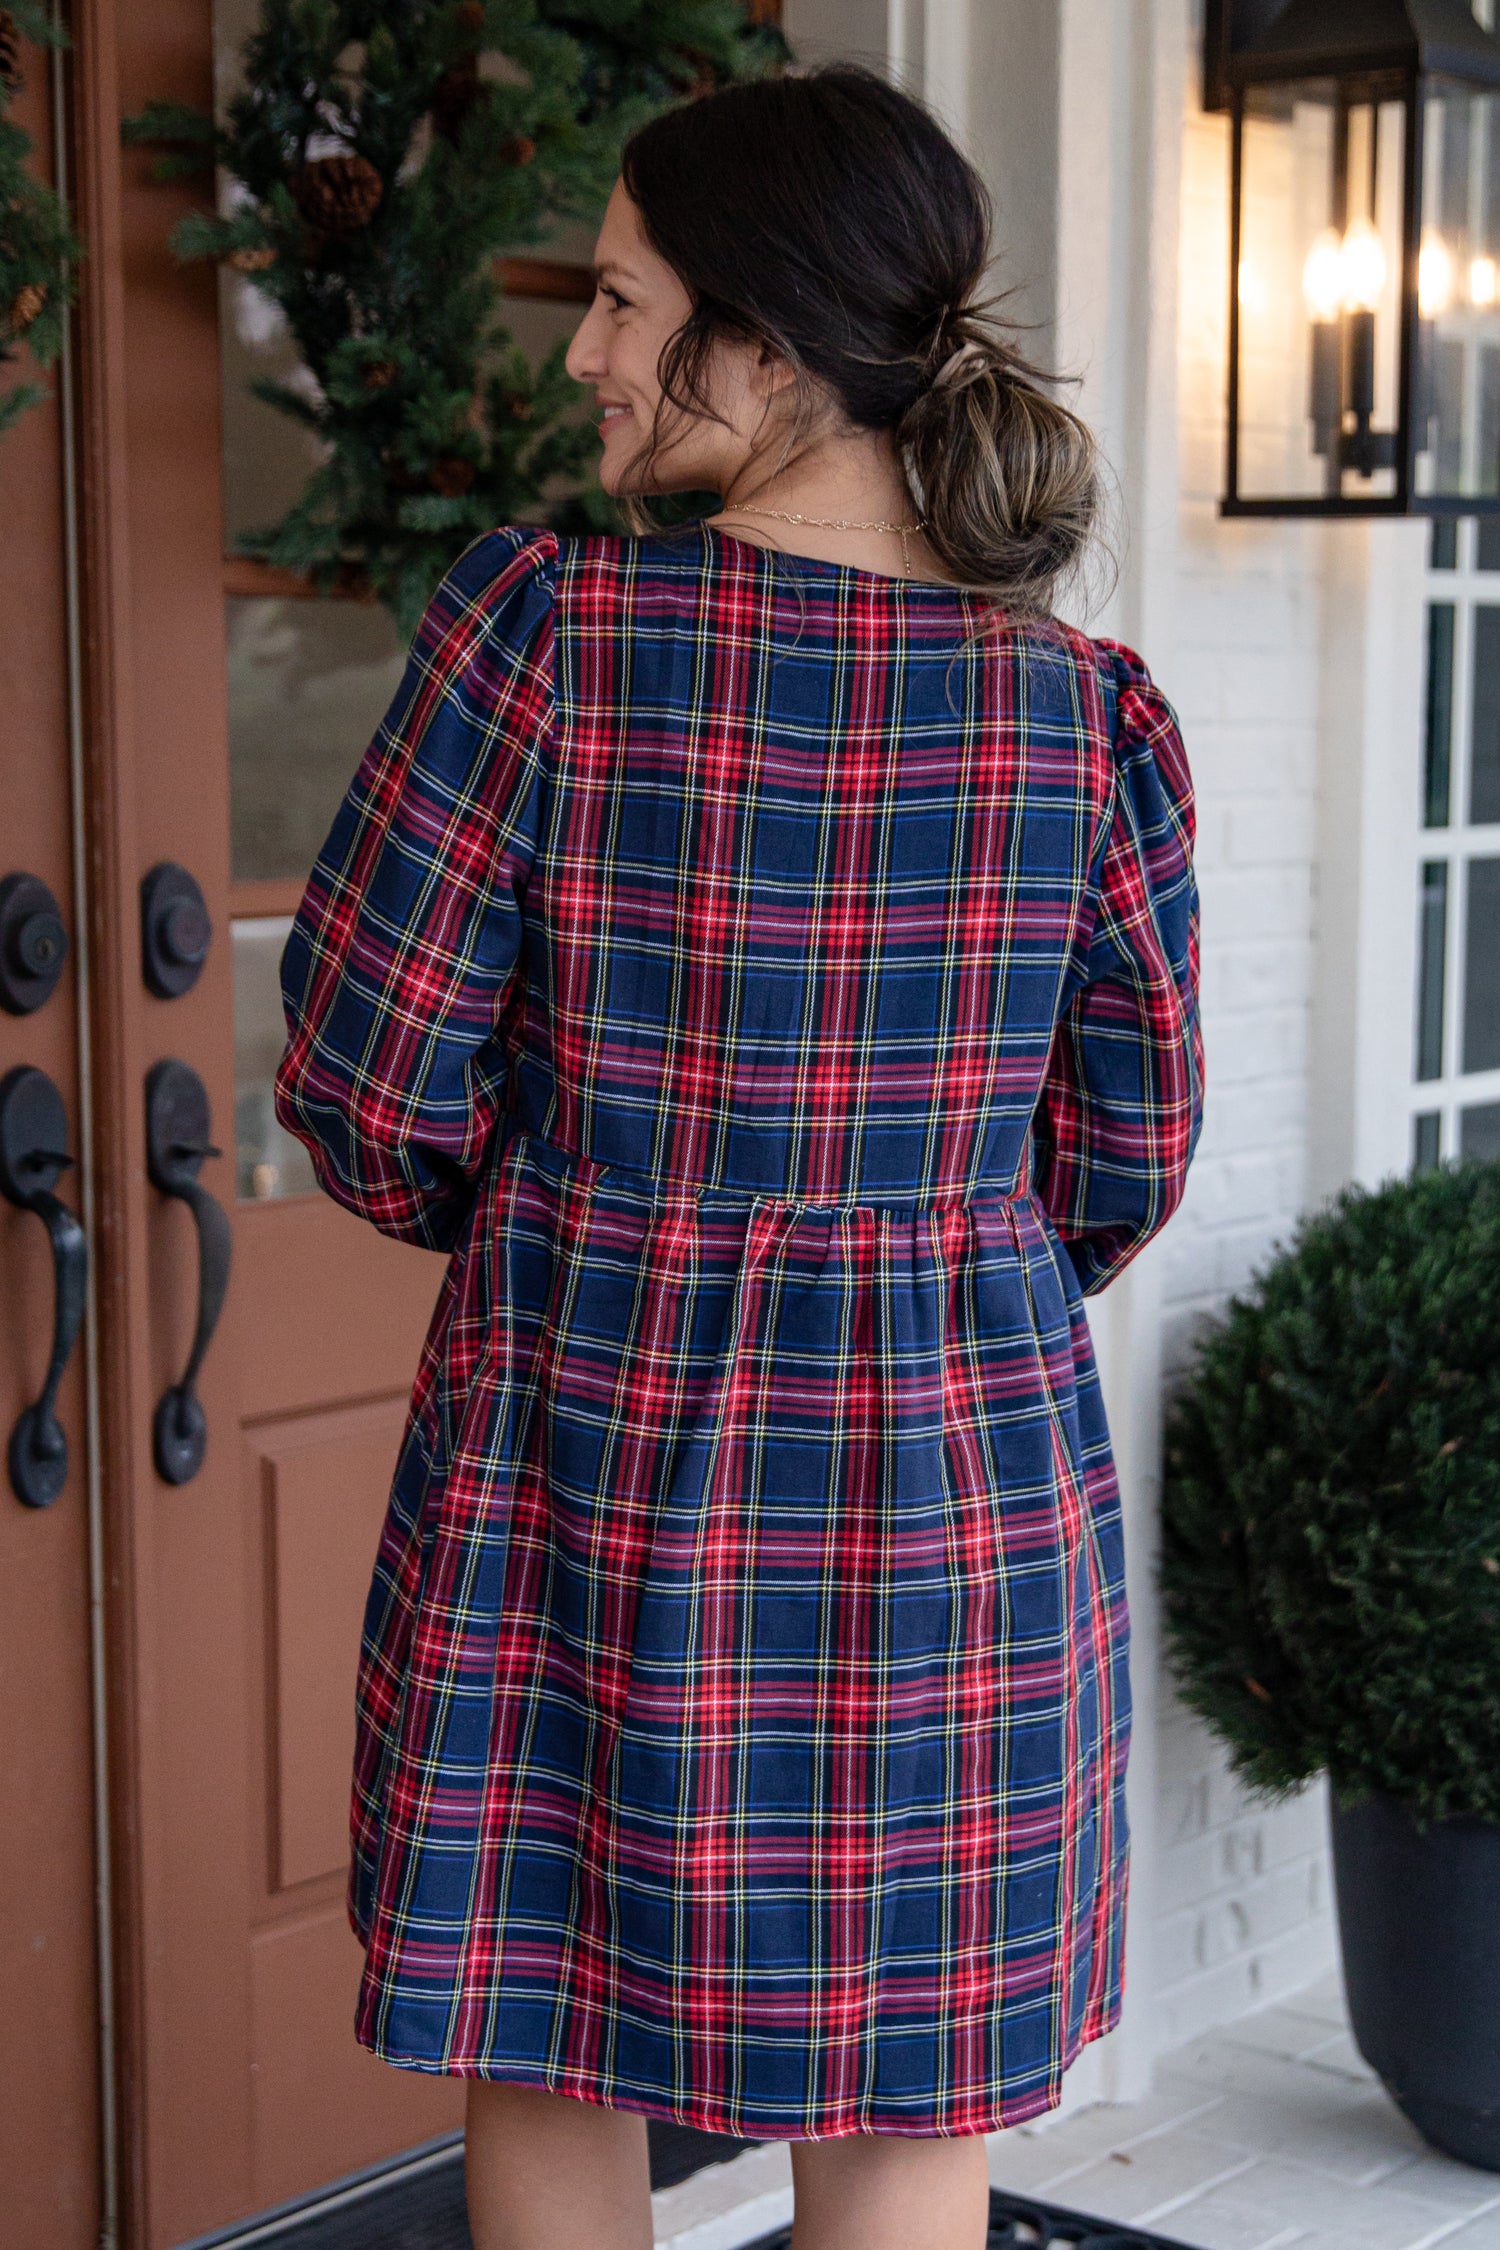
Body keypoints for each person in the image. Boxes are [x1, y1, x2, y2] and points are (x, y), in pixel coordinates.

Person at [273, 63, 1203, 2250]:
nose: (583, 353)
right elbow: (1123, 1156)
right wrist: (911, 1279)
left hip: (578, 1452)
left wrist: (579, 1237)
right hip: (953, 1500)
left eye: (619, 301)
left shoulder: (542, 642)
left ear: (768, 346)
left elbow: (370, 1089)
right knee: (908, 2102)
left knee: (553, 2031)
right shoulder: (1089, 717)